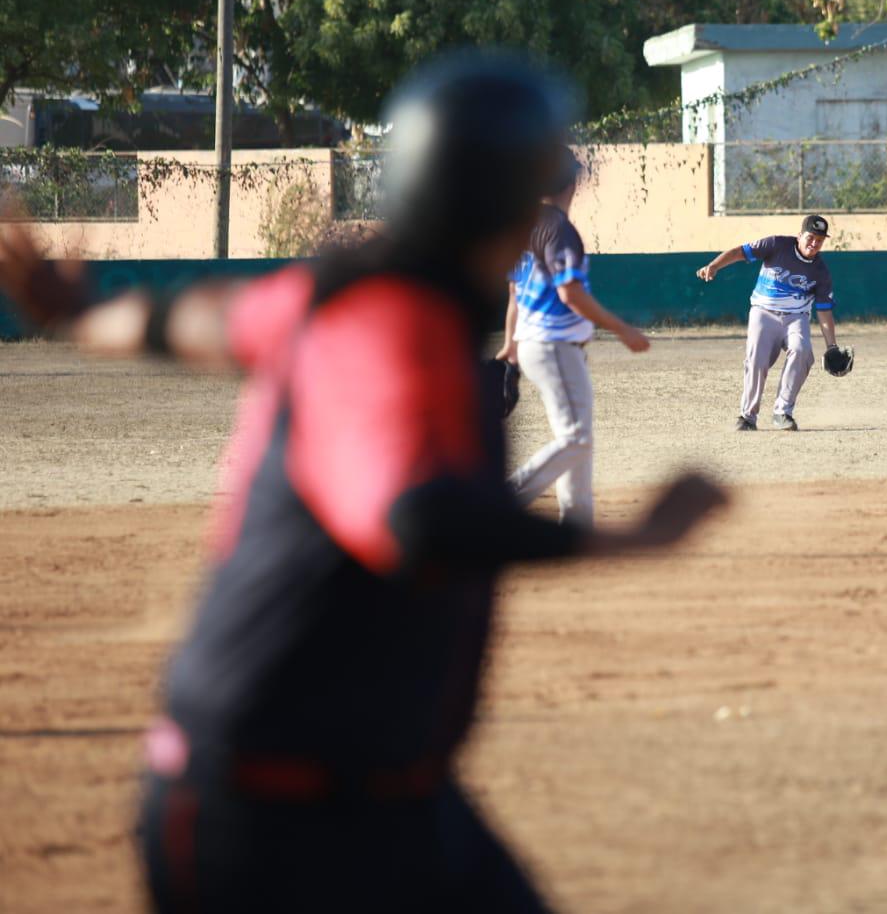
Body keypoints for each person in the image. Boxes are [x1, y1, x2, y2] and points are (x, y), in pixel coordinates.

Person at [0, 51, 726, 914]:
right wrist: (636, 538)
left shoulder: (350, 294)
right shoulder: (391, 324)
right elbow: (416, 516)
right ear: (493, 204)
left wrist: (78, 313)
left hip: (386, 789)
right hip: (272, 813)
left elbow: (193, 322)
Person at [497, 150, 648, 526]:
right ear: (572, 183)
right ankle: (502, 502)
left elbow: (515, 296)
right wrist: (622, 329)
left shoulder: (525, 225)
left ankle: (577, 524)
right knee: (577, 437)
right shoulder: (560, 230)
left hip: (540, 344)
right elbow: (571, 294)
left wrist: (511, 349)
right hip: (553, 344)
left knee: (578, 438)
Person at [695, 213, 840, 431]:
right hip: (763, 313)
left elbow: (824, 311)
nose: (814, 243)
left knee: (802, 351)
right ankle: (747, 417)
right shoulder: (776, 245)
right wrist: (714, 265)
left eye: (819, 240)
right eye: (810, 237)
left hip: (796, 318)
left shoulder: (821, 272)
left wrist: (832, 346)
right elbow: (739, 252)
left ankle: (783, 412)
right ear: (799, 235)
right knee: (756, 361)